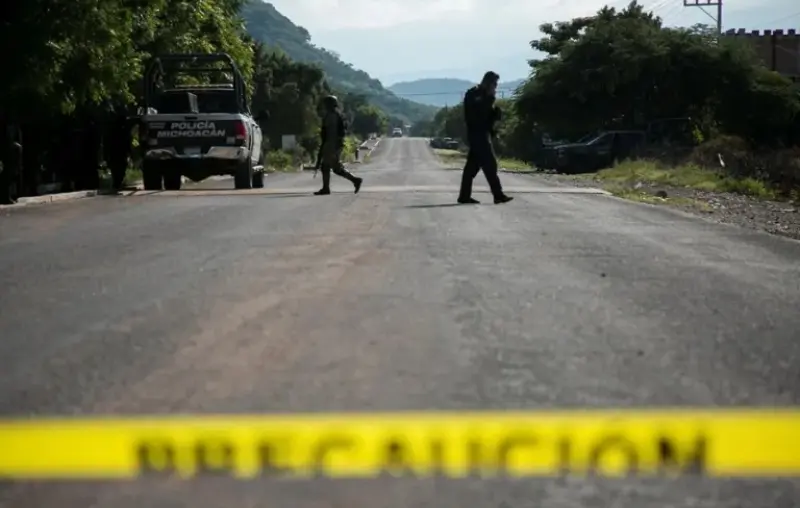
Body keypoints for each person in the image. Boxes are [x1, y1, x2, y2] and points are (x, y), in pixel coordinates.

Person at [457, 71, 512, 205]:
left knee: (471, 168)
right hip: (477, 134)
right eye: (494, 84)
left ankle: (464, 196)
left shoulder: (486, 96)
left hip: (482, 134)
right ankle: (498, 195)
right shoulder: (475, 94)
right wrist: (489, 101)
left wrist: (495, 114)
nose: (495, 87)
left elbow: (487, 118)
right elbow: (476, 116)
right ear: (488, 83)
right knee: (490, 165)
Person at [314, 95, 363, 195]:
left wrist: (327, 146)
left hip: (332, 144)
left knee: (329, 166)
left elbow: (330, 133)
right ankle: (354, 180)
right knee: (333, 167)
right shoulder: (334, 115)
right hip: (334, 144)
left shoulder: (332, 116)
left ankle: (327, 188)